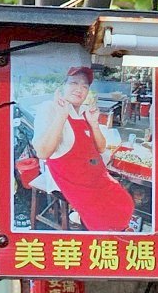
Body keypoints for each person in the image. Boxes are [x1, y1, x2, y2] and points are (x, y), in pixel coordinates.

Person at [31, 66, 135, 233]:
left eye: (85, 86)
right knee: (107, 219)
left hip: (94, 177)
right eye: (74, 83)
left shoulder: (84, 112)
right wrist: (61, 116)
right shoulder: (49, 108)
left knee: (125, 202)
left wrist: (94, 124)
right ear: (62, 86)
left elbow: (101, 148)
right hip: (71, 181)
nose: (80, 89)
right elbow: (43, 153)